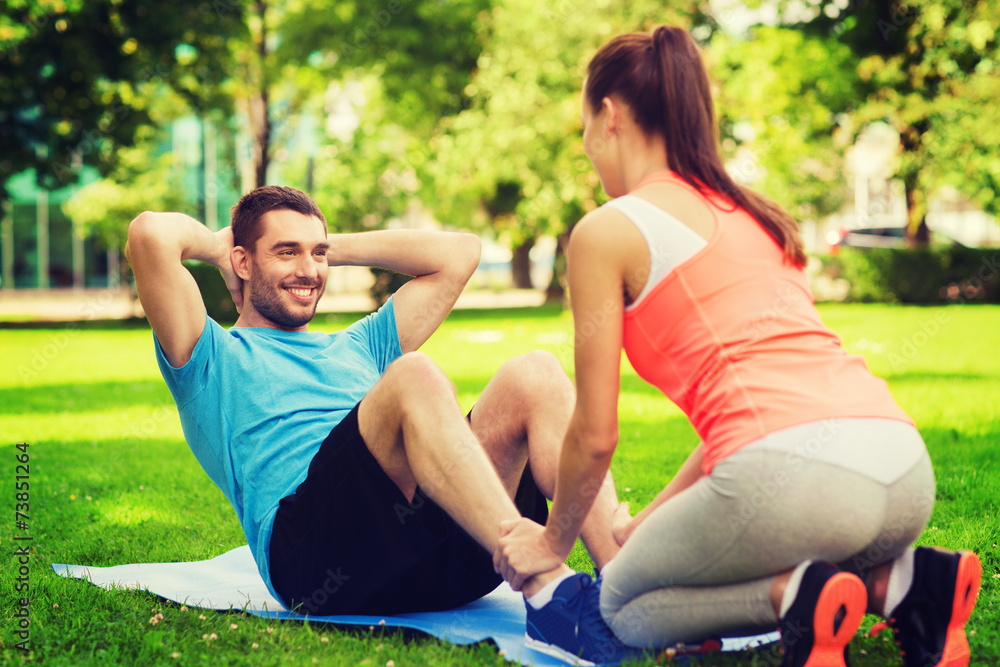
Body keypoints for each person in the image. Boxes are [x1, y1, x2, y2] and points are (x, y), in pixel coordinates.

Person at [493, 26, 982, 667]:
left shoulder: (606, 231)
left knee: (623, 607)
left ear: (608, 116)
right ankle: (908, 585)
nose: (587, 147)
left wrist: (552, 545)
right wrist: (646, 522)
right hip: (901, 467)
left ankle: (797, 597)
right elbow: (747, 413)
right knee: (673, 553)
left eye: (585, 126)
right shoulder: (755, 213)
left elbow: (594, 432)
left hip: (800, 484)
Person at [124, 185, 622, 619]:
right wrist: (218, 246)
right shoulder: (211, 355)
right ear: (243, 261)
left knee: (534, 372)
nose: (308, 271)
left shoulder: (359, 344)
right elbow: (149, 236)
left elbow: (461, 253)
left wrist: (322, 248)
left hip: (442, 557)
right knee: (414, 375)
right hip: (318, 565)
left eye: (316, 255)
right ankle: (544, 583)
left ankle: (622, 584)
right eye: (286, 252)